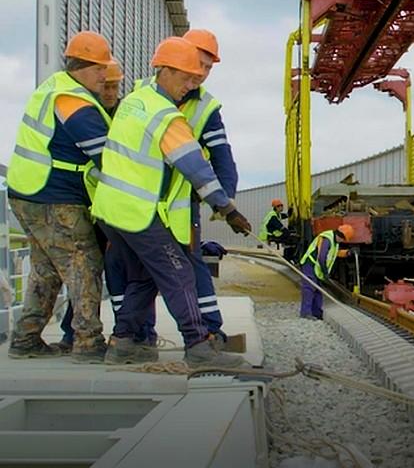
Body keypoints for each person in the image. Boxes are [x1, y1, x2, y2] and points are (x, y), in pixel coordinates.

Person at [91, 37, 252, 368]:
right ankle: (198, 346)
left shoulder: (135, 101)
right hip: (136, 212)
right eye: (187, 78)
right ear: (165, 70)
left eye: (196, 78)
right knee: (178, 272)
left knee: (144, 277)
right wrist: (227, 207)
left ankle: (122, 344)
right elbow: (196, 167)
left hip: (110, 210)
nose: (192, 85)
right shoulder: (165, 115)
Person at [6, 31, 113, 363]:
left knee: (46, 269)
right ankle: (88, 342)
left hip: (28, 192)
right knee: (85, 262)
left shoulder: (52, 88)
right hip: (54, 196)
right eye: (99, 69)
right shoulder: (74, 102)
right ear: (80, 67)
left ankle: (25, 339)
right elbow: (106, 156)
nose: (105, 75)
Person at [57, 58, 127, 352]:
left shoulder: (124, 113)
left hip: (112, 205)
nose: (109, 92)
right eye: (106, 86)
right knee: (87, 271)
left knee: (115, 270)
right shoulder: (85, 111)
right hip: (87, 202)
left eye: (114, 87)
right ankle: (71, 333)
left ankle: (126, 332)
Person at [178, 28, 237, 344]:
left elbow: (221, 153)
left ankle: (210, 330)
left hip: (181, 200)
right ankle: (136, 335)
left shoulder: (206, 107)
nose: (202, 73)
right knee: (135, 269)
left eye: (208, 68)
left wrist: (226, 198)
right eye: (199, 63)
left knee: (193, 262)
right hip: (140, 199)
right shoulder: (142, 93)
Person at [298, 224, 354, 320]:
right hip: (310, 264)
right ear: (342, 237)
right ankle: (305, 313)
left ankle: (317, 313)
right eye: (344, 240)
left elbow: (333, 253)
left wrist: (346, 253)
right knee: (309, 289)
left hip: (317, 267)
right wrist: (325, 272)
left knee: (318, 290)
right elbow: (322, 257)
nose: (343, 241)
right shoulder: (327, 239)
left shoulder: (334, 242)